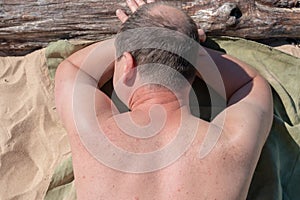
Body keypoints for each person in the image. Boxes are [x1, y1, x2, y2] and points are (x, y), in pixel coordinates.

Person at [55, 0, 273, 199]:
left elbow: (74, 69)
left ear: (128, 63)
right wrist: (188, 49)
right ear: (195, 67)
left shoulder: (95, 131)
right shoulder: (231, 145)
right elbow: (250, 82)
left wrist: (137, 38)